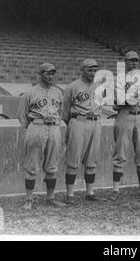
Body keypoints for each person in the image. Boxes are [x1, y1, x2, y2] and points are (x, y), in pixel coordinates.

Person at [17, 62, 65, 209]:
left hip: (54, 127)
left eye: (53, 73)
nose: (51, 76)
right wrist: (34, 127)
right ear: (41, 75)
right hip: (37, 126)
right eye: (48, 73)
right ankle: (29, 199)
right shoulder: (30, 93)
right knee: (32, 165)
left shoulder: (58, 92)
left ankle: (50, 198)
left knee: (52, 165)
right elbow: (22, 116)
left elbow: (61, 111)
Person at [62, 58, 106, 203]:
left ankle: (90, 192)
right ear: (82, 70)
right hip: (79, 121)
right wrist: (74, 123)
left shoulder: (100, 86)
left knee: (91, 160)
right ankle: (70, 194)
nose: (93, 73)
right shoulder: (72, 87)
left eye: (95, 70)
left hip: (95, 122)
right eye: (90, 70)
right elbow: (65, 112)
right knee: (73, 159)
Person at [110, 50, 140, 200]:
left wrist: (132, 98)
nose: (134, 63)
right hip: (124, 116)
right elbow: (120, 101)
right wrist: (131, 98)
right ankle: (115, 189)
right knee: (120, 152)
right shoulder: (117, 78)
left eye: (136, 60)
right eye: (131, 60)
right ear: (125, 62)